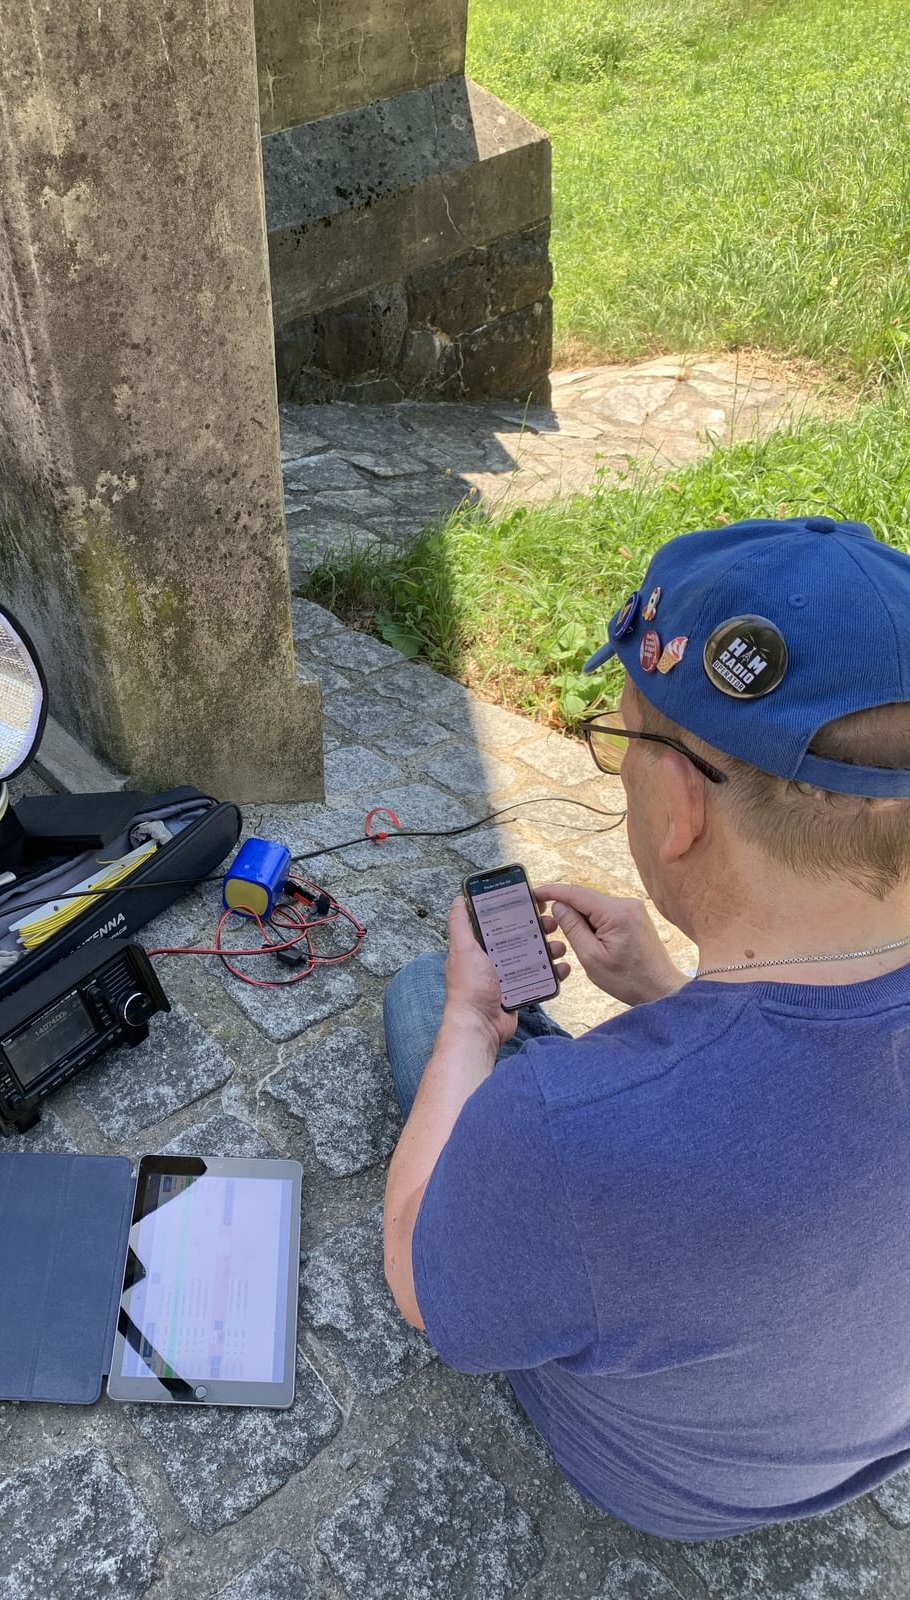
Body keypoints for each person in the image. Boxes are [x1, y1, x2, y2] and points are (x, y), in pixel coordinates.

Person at [382, 515, 910, 1541]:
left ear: (677, 801)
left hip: (669, 1483)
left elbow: (415, 1286)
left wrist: (471, 1021)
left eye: (619, 741)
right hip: (843, 1454)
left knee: (417, 1000)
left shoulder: (557, 1127)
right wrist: (666, 989)